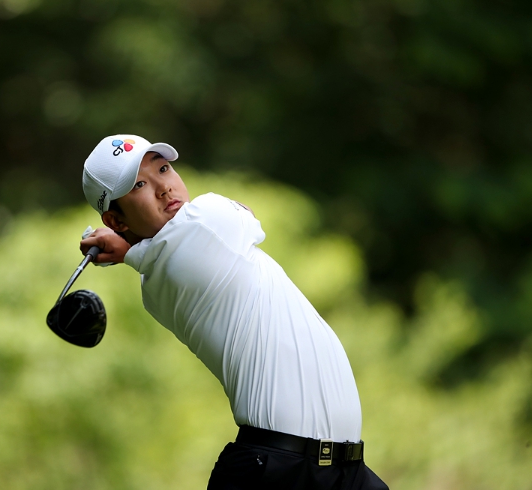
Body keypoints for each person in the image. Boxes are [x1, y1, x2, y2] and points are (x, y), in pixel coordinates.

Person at [79, 134, 389, 490]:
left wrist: (128, 248)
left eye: (162, 169)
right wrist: (128, 249)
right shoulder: (208, 220)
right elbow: (245, 213)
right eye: (139, 186)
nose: (164, 188)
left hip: (333, 470)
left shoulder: (156, 283)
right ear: (115, 221)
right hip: (279, 470)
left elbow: (158, 247)